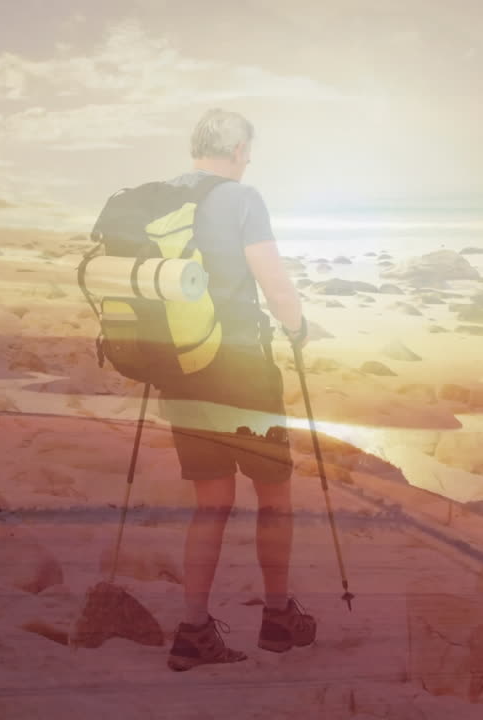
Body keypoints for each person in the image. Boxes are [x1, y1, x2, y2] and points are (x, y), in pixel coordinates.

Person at [160, 109, 317, 672]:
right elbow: (274, 283)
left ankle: (193, 630)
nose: (248, 159)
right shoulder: (243, 197)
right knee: (273, 496)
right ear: (235, 150)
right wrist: (298, 327)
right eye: (247, 150)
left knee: (211, 503)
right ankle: (277, 617)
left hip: (181, 368)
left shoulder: (163, 199)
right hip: (242, 372)